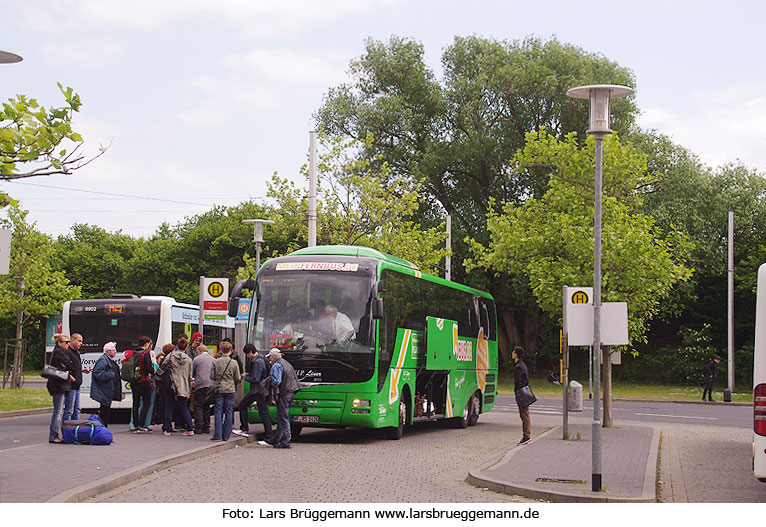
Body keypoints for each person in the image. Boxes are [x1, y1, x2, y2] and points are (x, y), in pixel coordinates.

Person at [233, 344, 274, 445]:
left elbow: (255, 378)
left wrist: (245, 377)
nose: (248, 356)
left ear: (251, 352)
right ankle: (246, 429)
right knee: (248, 407)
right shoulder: (261, 359)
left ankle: (268, 436)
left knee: (261, 412)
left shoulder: (257, 361)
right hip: (259, 390)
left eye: (247, 354)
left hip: (258, 390)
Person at [267, 348, 301, 449]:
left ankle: (286, 441)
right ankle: (276, 439)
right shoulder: (286, 363)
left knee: (283, 417)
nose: (269, 359)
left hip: (284, 392)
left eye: (270, 357)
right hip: (291, 391)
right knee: (281, 416)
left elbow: (276, 381)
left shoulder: (276, 365)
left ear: (273, 356)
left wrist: (269, 383)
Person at [160, 337, 195, 436]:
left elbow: (163, 369)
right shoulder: (188, 359)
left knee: (169, 406)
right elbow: (189, 375)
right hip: (183, 385)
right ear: (186, 347)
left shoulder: (170, 356)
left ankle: (167, 429)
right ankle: (189, 428)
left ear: (176, 346)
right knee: (183, 407)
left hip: (170, 384)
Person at [47, 334, 76, 443]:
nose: (68, 344)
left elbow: (68, 364)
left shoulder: (59, 352)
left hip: (58, 384)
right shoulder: (59, 352)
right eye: (66, 342)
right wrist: (68, 365)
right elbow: (70, 365)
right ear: (59, 343)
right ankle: (53, 435)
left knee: (59, 409)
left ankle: (55, 434)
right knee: (58, 410)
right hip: (58, 384)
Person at [209, 341, 241, 441]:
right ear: (230, 350)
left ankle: (217, 434)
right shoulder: (234, 363)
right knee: (229, 411)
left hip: (219, 389)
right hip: (230, 389)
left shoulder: (215, 362)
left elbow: (211, 376)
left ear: (221, 350)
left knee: (218, 412)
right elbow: (238, 378)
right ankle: (226, 436)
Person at [90, 342, 121, 427]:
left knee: (106, 409)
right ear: (107, 351)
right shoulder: (103, 360)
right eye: (113, 350)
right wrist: (110, 375)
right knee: (104, 410)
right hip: (104, 390)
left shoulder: (108, 359)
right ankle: (103, 427)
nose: (115, 352)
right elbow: (97, 373)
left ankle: (104, 427)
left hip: (108, 390)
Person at [129, 335, 155, 433]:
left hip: (134, 381)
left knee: (136, 403)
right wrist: (154, 370)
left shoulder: (132, 353)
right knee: (146, 403)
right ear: (146, 344)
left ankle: (135, 425)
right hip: (144, 381)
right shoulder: (145, 354)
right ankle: (141, 424)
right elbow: (149, 369)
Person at [63, 333, 89, 422]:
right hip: (71, 386)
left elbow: (74, 367)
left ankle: (75, 430)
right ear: (72, 340)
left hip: (77, 386)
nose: (81, 343)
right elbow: (64, 369)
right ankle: (67, 430)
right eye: (79, 341)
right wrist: (71, 377)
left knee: (77, 409)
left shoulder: (77, 353)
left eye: (81, 341)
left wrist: (81, 370)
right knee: (69, 410)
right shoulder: (67, 352)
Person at [192, 343, 214, 434]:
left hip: (200, 385)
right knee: (207, 407)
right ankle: (206, 427)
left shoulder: (197, 359)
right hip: (211, 385)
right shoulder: (213, 359)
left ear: (199, 351)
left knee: (199, 406)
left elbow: (192, 372)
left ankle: (198, 427)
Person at [513, 346, 532, 445]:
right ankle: (526, 434)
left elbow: (520, 381)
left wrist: (517, 391)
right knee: (524, 414)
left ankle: (526, 435)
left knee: (524, 414)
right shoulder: (521, 365)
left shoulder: (519, 366)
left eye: (513, 352)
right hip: (522, 392)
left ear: (516, 354)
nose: (512, 353)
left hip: (521, 393)